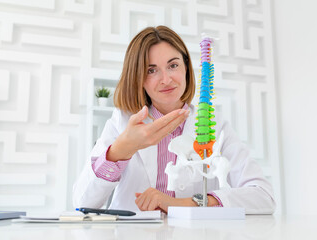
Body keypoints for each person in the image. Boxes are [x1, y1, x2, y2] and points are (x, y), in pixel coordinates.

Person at [73, 25, 276, 214]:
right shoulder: (122, 122)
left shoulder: (215, 125)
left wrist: (184, 204)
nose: (166, 79)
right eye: (151, 70)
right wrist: (120, 150)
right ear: (138, 78)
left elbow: (264, 197)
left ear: (186, 68)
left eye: (173, 65)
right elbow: (82, 203)